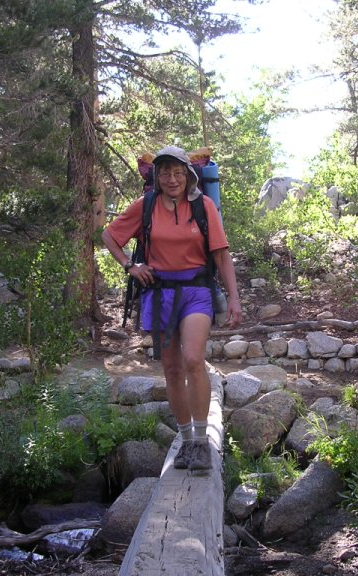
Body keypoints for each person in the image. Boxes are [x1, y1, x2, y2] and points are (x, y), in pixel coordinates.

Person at [101, 145, 243, 472]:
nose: (172, 178)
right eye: (165, 172)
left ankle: (202, 442)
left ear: (188, 175)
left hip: (196, 291)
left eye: (178, 172)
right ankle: (186, 439)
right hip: (159, 292)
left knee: (193, 359)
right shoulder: (146, 206)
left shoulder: (204, 206)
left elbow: (221, 255)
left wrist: (234, 298)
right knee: (172, 370)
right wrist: (129, 265)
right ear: (157, 176)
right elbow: (109, 236)